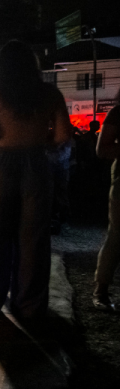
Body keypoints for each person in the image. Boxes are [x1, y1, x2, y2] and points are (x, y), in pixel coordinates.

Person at [0, 40, 71, 319]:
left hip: (0, 165)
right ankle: (28, 305)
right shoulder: (50, 93)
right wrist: (39, 140)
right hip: (36, 165)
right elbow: (63, 136)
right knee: (33, 238)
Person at [93, 103, 120, 311]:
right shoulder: (117, 112)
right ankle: (101, 290)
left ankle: (101, 291)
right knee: (116, 234)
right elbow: (102, 149)